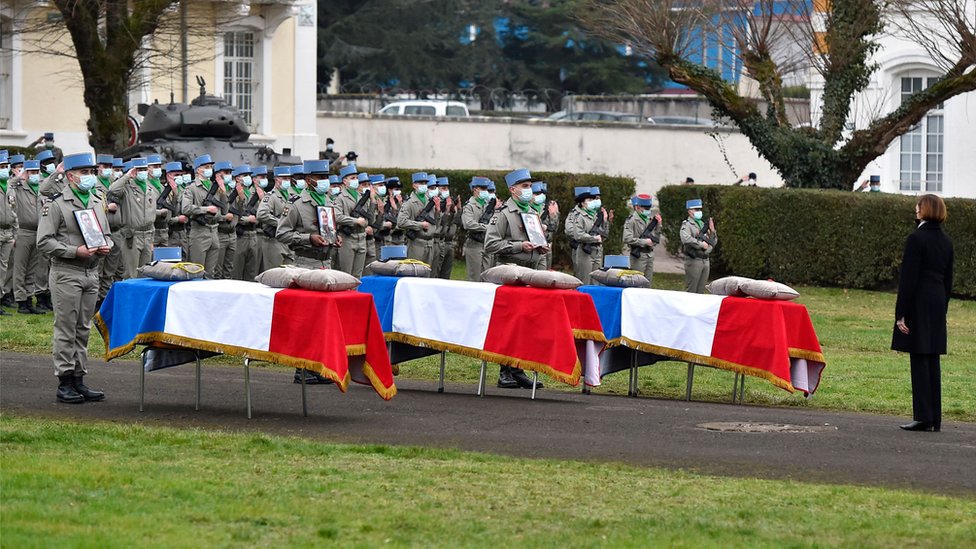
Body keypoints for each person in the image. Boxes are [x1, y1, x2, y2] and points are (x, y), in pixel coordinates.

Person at [36, 151, 111, 404]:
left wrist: (106, 245)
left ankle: (79, 378)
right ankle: (64, 381)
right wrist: (73, 251)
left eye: (91, 172)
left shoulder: (96, 199)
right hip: (67, 272)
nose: (89, 176)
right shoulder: (56, 204)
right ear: (70, 176)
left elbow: (106, 232)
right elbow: (44, 242)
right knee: (66, 329)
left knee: (83, 328)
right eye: (84, 172)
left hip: (91, 272)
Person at [892, 194, 954, 432]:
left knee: (919, 357)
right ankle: (934, 417)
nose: (915, 209)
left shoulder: (916, 238)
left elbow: (909, 279)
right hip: (937, 300)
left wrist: (901, 313)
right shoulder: (946, 241)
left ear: (925, 210)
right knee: (932, 358)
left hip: (919, 301)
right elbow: (948, 279)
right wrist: (943, 306)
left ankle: (922, 415)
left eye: (918, 206)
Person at [277, 159, 342, 385]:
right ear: (308, 180)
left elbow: (329, 228)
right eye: (320, 178)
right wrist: (308, 239)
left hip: (326, 263)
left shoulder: (328, 201)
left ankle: (319, 366)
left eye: (326, 177)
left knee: (323, 319)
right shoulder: (296, 204)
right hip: (306, 263)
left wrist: (335, 239)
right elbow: (282, 234)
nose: (325, 181)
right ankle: (302, 368)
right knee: (305, 318)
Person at [484, 168, 549, 389]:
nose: (529, 190)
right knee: (508, 324)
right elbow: (490, 245)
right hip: (510, 274)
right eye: (524, 186)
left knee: (525, 324)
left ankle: (518, 369)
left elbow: (535, 238)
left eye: (530, 186)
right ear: (513, 190)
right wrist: (518, 246)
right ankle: (505, 371)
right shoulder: (503, 214)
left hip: (530, 273)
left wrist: (540, 248)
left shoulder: (531, 212)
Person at [8, 155, 49, 313]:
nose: (34, 175)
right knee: (20, 268)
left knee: (33, 269)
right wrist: (19, 177)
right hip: (22, 231)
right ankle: (21, 301)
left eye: (36, 171)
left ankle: (29, 298)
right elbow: (9, 186)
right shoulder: (18, 187)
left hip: (37, 232)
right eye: (31, 171)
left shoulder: (40, 188)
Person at [109, 157, 158, 279]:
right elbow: (112, 190)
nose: (142, 172)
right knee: (131, 274)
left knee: (146, 274)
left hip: (148, 234)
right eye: (139, 169)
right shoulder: (127, 187)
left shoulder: (150, 187)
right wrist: (127, 176)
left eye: (144, 169)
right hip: (132, 235)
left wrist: (152, 239)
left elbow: (152, 215)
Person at [181, 155, 226, 277]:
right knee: (196, 271)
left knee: (210, 273)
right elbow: (185, 208)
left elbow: (224, 210)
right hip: (199, 232)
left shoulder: (214, 187)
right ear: (198, 170)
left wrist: (223, 191)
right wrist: (205, 209)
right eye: (206, 167)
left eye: (210, 167)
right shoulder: (191, 188)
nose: (209, 169)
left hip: (214, 231)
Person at [565, 186, 611, 285]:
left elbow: (604, 234)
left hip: (597, 251)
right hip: (584, 250)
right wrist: (593, 239)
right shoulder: (579, 216)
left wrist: (606, 221)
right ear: (582, 202)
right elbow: (576, 234)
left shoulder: (594, 215)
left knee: (596, 281)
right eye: (589, 199)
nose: (593, 201)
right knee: (584, 280)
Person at [257, 166, 296, 271]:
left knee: (290, 274)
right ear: (276, 179)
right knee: (274, 274)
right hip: (274, 241)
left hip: (288, 241)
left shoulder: (291, 197)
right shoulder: (271, 196)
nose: (287, 181)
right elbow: (261, 214)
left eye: (288, 178)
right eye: (284, 178)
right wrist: (281, 222)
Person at [334, 165, 370, 277]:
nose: (356, 180)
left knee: (358, 276)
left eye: (356, 178)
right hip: (347, 238)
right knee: (346, 275)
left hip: (361, 237)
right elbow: (336, 216)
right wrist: (355, 221)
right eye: (352, 178)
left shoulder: (361, 197)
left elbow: (368, 218)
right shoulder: (340, 198)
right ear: (345, 181)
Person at [397, 172, 440, 265]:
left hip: (430, 243)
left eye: (425, 183)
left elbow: (435, 221)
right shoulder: (409, 203)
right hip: (416, 243)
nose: (424, 185)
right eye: (421, 183)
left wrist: (437, 210)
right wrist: (420, 225)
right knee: (414, 273)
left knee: (427, 275)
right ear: (414, 185)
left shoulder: (430, 200)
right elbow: (400, 222)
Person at [622, 194, 661, 286]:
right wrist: (644, 242)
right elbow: (627, 238)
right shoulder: (632, 220)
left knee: (647, 284)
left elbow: (656, 238)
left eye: (649, 208)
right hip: (638, 255)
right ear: (638, 207)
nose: (648, 210)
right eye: (645, 208)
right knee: (637, 284)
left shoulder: (649, 219)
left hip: (649, 255)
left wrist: (659, 225)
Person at [680, 198, 717, 294]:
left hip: (705, 260)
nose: (699, 212)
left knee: (701, 291)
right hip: (694, 260)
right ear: (690, 211)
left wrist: (712, 231)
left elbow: (713, 241)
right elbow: (686, 239)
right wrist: (701, 244)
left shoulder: (703, 224)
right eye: (696, 210)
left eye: (700, 210)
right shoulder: (687, 225)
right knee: (692, 290)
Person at [232, 165, 261, 281]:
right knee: (236, 272)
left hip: (253, 235)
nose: (248, 178)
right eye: (245, 175)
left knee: (251, 273)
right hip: (240, 236)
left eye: (249, 175)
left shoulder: (252, 193)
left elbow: (261, 212)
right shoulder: (234, 193)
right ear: (238, 178)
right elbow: (229, 213)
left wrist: (256, 219)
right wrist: (245, 220)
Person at [461, 176, 492, 281]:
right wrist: (485, 227)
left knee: (487, 278)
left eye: (486, 189)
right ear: (475, 189)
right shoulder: (469, 206)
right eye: (482, 189)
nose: (485, 191)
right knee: (475, 278)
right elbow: (468, 224)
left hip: (486, 244)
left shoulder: (488, 205)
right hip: (474, 245)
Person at [212, 161, 237, 279]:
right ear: (218, 175)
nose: (229, 175)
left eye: (230, 172)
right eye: (226, 172)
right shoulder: (214, 190)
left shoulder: (231, 189)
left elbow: (238, 211)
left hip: (232, 233)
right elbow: (221, 211)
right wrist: (221, 191)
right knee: (217, 269)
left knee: (228, 269)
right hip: (220, 232)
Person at [432, 176, 458, 279]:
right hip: (439, 241)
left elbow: (454, 223)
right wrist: (446, 211)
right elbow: (439, 225)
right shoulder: (434, 205)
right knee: (436, 272)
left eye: (447, 188)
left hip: (448, 242)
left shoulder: (451, 205)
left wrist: (455, 210)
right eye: (443, 188)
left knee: (446, 274)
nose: (446, 191)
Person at [529, 181, 559, 270]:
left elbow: (555, 228)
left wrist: (553, 215)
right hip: (533, 246)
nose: (541, 196)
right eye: (537, 193)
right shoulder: (527, 208)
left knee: (546, 273)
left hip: (547, 246)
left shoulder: (547, 208)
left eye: (543, 193)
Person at [0, 152, 16, 314]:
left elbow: (14, 212)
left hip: (8, 232)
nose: (4, 170)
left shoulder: (9, 187)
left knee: (3, 268)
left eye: (6, 167)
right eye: (1, 167)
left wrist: (14, 234)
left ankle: (1, 297)